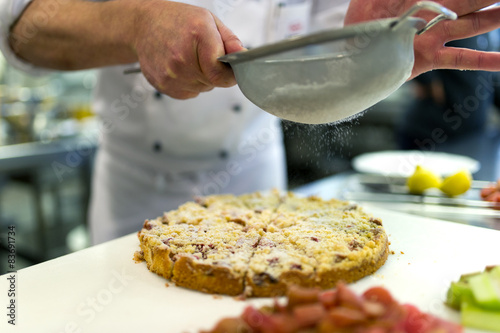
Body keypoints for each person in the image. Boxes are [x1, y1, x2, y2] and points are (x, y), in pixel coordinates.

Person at [1, 0, 500, 245]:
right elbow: (22, 26)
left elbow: (338, 46)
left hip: (257, 177)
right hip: (138, 190)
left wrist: (375, 60)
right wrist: (135, 23)